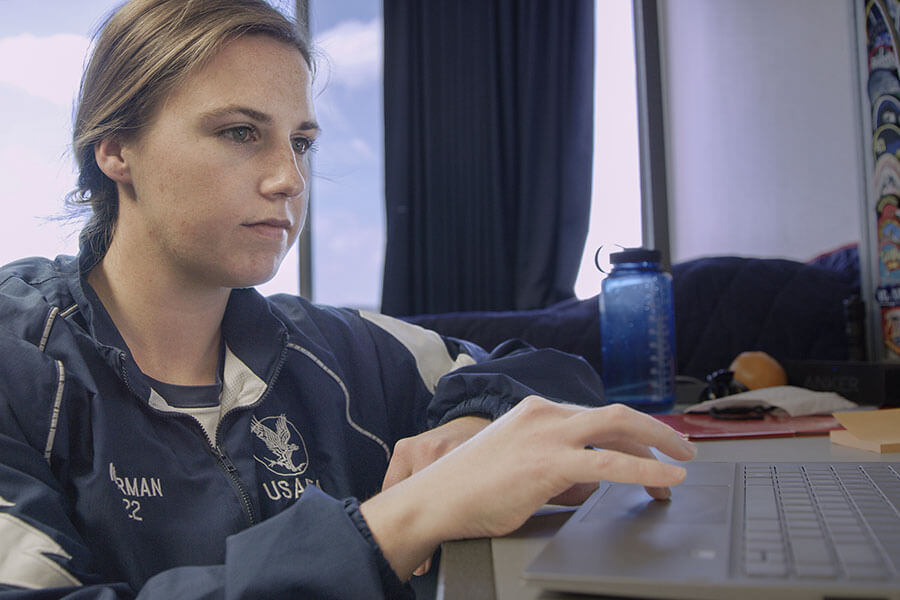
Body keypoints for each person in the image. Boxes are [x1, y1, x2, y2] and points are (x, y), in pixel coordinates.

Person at [0, 1, 697, 598]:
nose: (288, 179)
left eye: (300, 141)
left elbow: (537, 370)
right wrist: (400, 522)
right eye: (240, 132)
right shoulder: (20, 364)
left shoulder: (329, 348)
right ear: (115, 149)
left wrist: (474, 427)